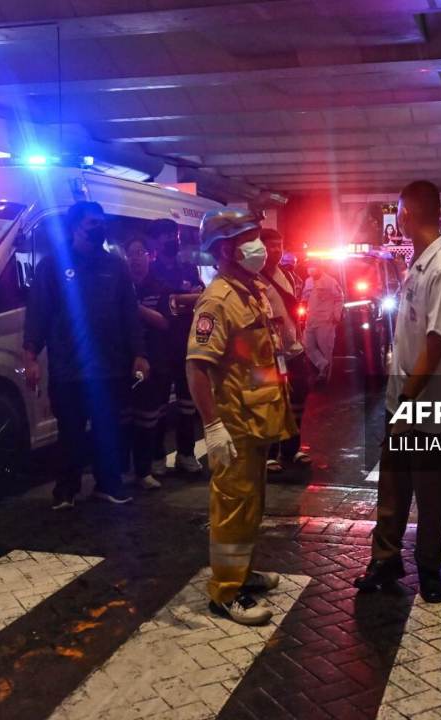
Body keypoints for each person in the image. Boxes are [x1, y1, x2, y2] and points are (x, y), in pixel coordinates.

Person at [354, 180, 441, 604]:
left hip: (427, 402)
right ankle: (385, 560)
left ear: (406, 213)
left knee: (430, 489)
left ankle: (429, 568)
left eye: (398, 212)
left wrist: (407, 399)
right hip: (405, 398)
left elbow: (437, 342)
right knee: (394, 485)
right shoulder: (422, 265)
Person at [186, 209, 296, 625]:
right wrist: (212, 426)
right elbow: (197, 367)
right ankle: (226, 593)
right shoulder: (217, 301)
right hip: (233, 425)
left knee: (250, 507)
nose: (260, 246)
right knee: (232, 507)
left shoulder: (250, 290)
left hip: (256, 421)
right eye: (249, 238)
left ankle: (243, 573)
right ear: (227, 249)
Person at [23, 201, 148, 510]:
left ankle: (108, 485)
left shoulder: (115, 266)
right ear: (75, 226)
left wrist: (139, 354)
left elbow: (129, 314)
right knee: (71, 434)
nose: (99, 228)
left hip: (110, 367)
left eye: (101, 222)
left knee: (109, 431)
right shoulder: (51, 267)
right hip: (69, 369)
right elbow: (38, 314)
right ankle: (66, 490)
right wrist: (30, 357)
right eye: (93, 223)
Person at [147, 219, 204, 474]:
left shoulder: (188, 268)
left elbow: (200, 298)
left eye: (175, 234)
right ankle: (156, 457)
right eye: (166, 235)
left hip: (186, 343)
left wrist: (177, 299)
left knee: (187, 404)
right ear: (155, 240)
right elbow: (163, 301)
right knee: (158, 406)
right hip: (159, 346)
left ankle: (186, 454)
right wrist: (182, 298)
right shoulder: (152, 271)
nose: (173, 239)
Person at [124, 234, 175, 490]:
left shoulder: (160, 287)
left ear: (150, 256)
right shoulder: (119, 286)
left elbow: (165, 322)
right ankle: (125, 468)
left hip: (154, 361)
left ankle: (145, 469)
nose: (135, 258)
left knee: (149, 417)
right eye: (131, 253)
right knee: (125, 418)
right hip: (123, 361)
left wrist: (135, 308)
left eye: (140, 252)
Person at [260, 229, 312, 472]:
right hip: (270, 353)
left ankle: (292, 449)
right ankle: (269, 453)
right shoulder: (254, 279)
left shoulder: (288, 276)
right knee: (272, 401)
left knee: (299, 397)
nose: (276, 250)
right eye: (270, 246)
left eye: (279, 245)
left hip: (293, 348)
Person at [302, 261, 344, 383]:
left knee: (326, 348)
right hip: (310, 319)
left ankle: (325, 378)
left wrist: (336, 315)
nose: (311, 269)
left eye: (313, 266)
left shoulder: (330, 281)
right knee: (307, 345)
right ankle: (322, 365)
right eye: (309, 267)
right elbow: (305, 297)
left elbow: (339, 298)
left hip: (325, 321)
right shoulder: (308, 281)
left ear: (320, 268)